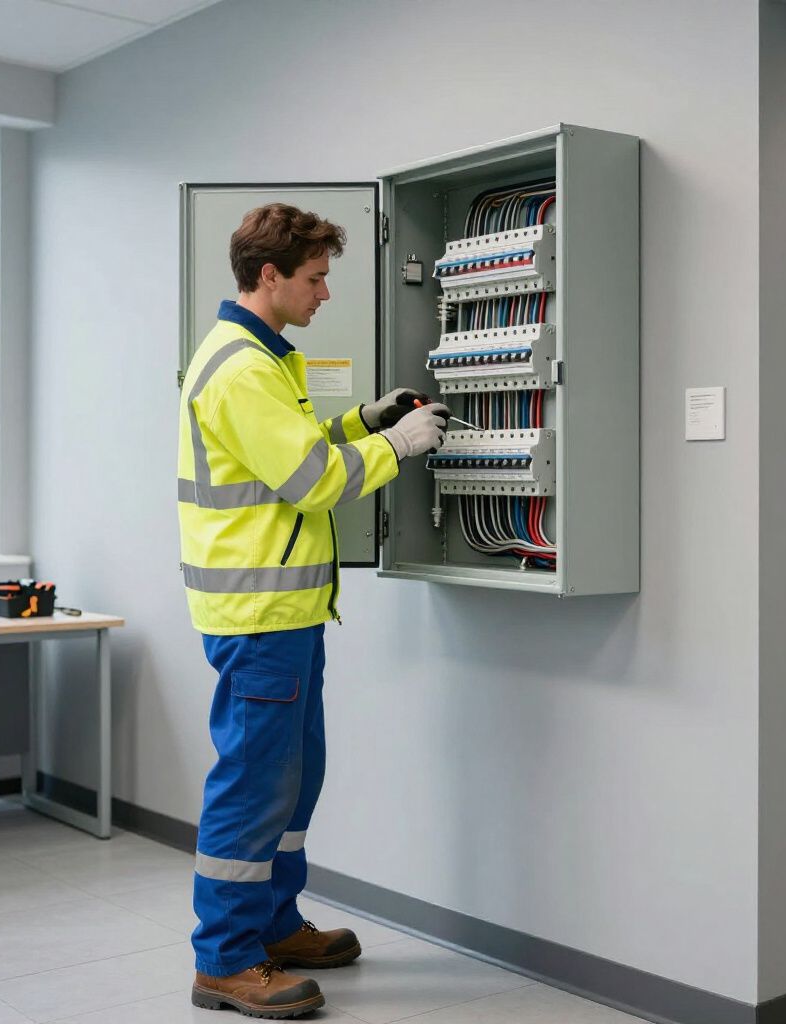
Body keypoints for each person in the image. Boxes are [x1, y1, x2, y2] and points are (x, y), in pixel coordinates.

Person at [177, 202, 448, 1018]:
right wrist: (398, 447)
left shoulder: (267, 360)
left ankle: (275, 925)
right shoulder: (242, 369)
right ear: (270, 276)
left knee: (295, 783)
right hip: (258, 619)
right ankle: (224, 960)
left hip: (289, 613)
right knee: (255, 786)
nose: (326, 292)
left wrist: (364, 421)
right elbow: (314, 481)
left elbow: (294, 450)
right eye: (316, 277)